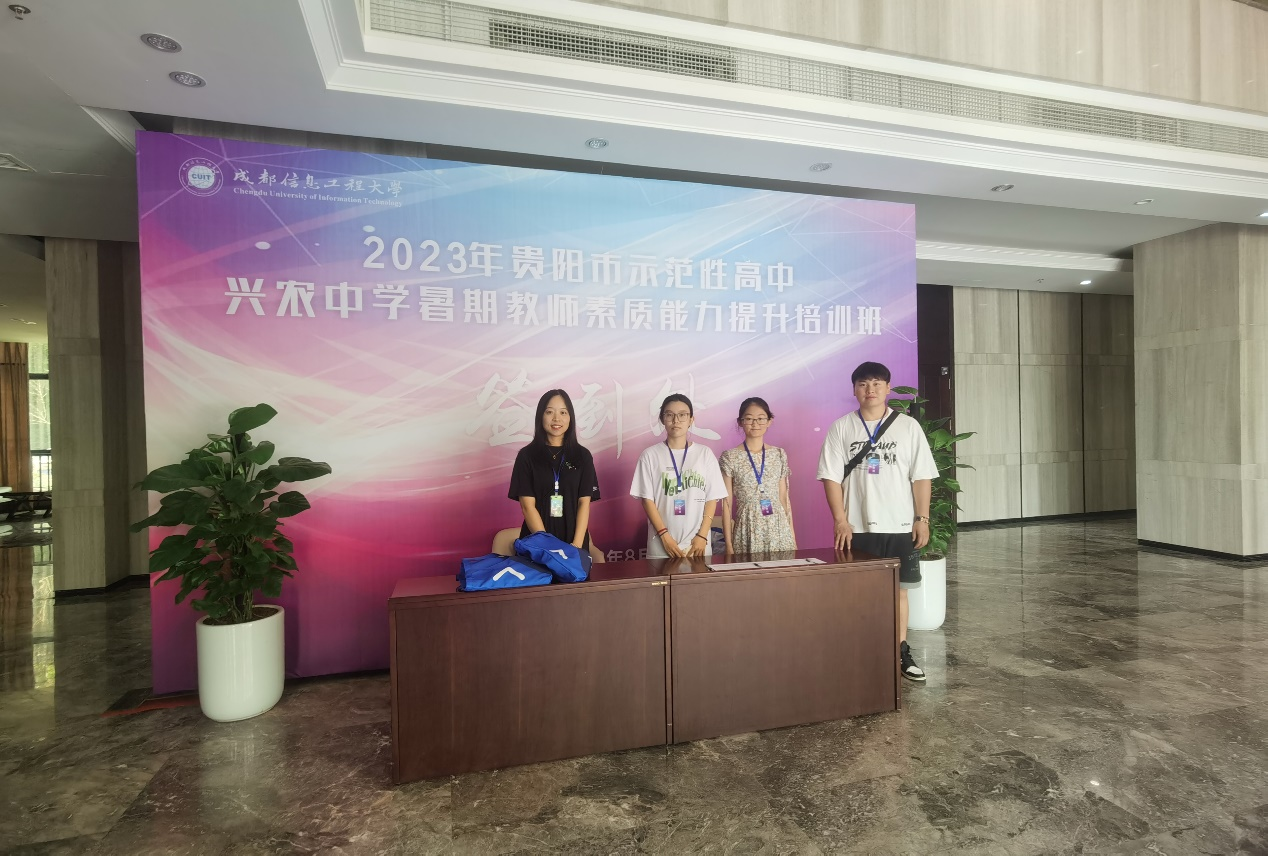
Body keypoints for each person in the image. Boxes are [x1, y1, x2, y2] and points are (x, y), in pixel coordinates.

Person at [817, 362, 937, 683]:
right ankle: (859, 652)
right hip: (857, 529)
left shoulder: (908, 427)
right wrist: (841, 520)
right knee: (857, 593)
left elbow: (921, 476)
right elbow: (830, 477)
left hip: (900, 526)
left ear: (887, 388)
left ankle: (900, 652)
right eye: (863, 384)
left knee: (900, 592)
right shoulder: (841, 428)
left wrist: (921, 518)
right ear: (854, 389)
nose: (870, 389)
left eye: (876, 383)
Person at [630, 394, 727, 559]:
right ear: (662, 419)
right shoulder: (650, 455)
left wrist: (702, 536)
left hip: (698, 545)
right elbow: (647, 500)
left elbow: (712, 499)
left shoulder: (704, 454)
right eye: (670, 415)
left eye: (682, 415)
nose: (676, 420)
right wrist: (664, 537)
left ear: (691, 419)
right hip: (662, 545)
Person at [508, 389, 600, 550]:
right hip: (537, 543)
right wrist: (547, 546)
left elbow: (584, 503)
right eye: (549, 412)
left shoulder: (582, 456)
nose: (557, 418)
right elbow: (527, 506)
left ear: (570, 417)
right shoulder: (526, 456)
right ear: (540, 416)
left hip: (574, 541)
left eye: (563, 412)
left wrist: (576, 547)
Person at [720, 397, 796, 554]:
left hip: (779, 529)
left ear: (769, 421)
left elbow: (784, 498)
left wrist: (792, 537)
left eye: (761, 418)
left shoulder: (778, 454)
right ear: (740, 422)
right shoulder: (730, 457)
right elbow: (726, 503)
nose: (755, 424)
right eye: (749, 419)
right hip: (747, 528)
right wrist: (728, 543)